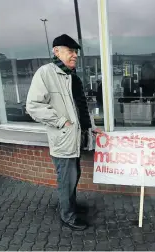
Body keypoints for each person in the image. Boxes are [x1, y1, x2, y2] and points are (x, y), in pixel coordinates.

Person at [26, 34, 101, 231]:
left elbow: (80, 106)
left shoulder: (71, 76)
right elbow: (33, 106)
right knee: (66, 180)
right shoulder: (45, 74)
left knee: (73, 177)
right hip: (63, 139)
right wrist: (62, 122)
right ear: (56, 51)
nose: (75, 55)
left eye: (76, 52)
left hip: (75, 138)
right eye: (70, 51)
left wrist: (90, 128)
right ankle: (68, 216)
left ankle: (71, 207)